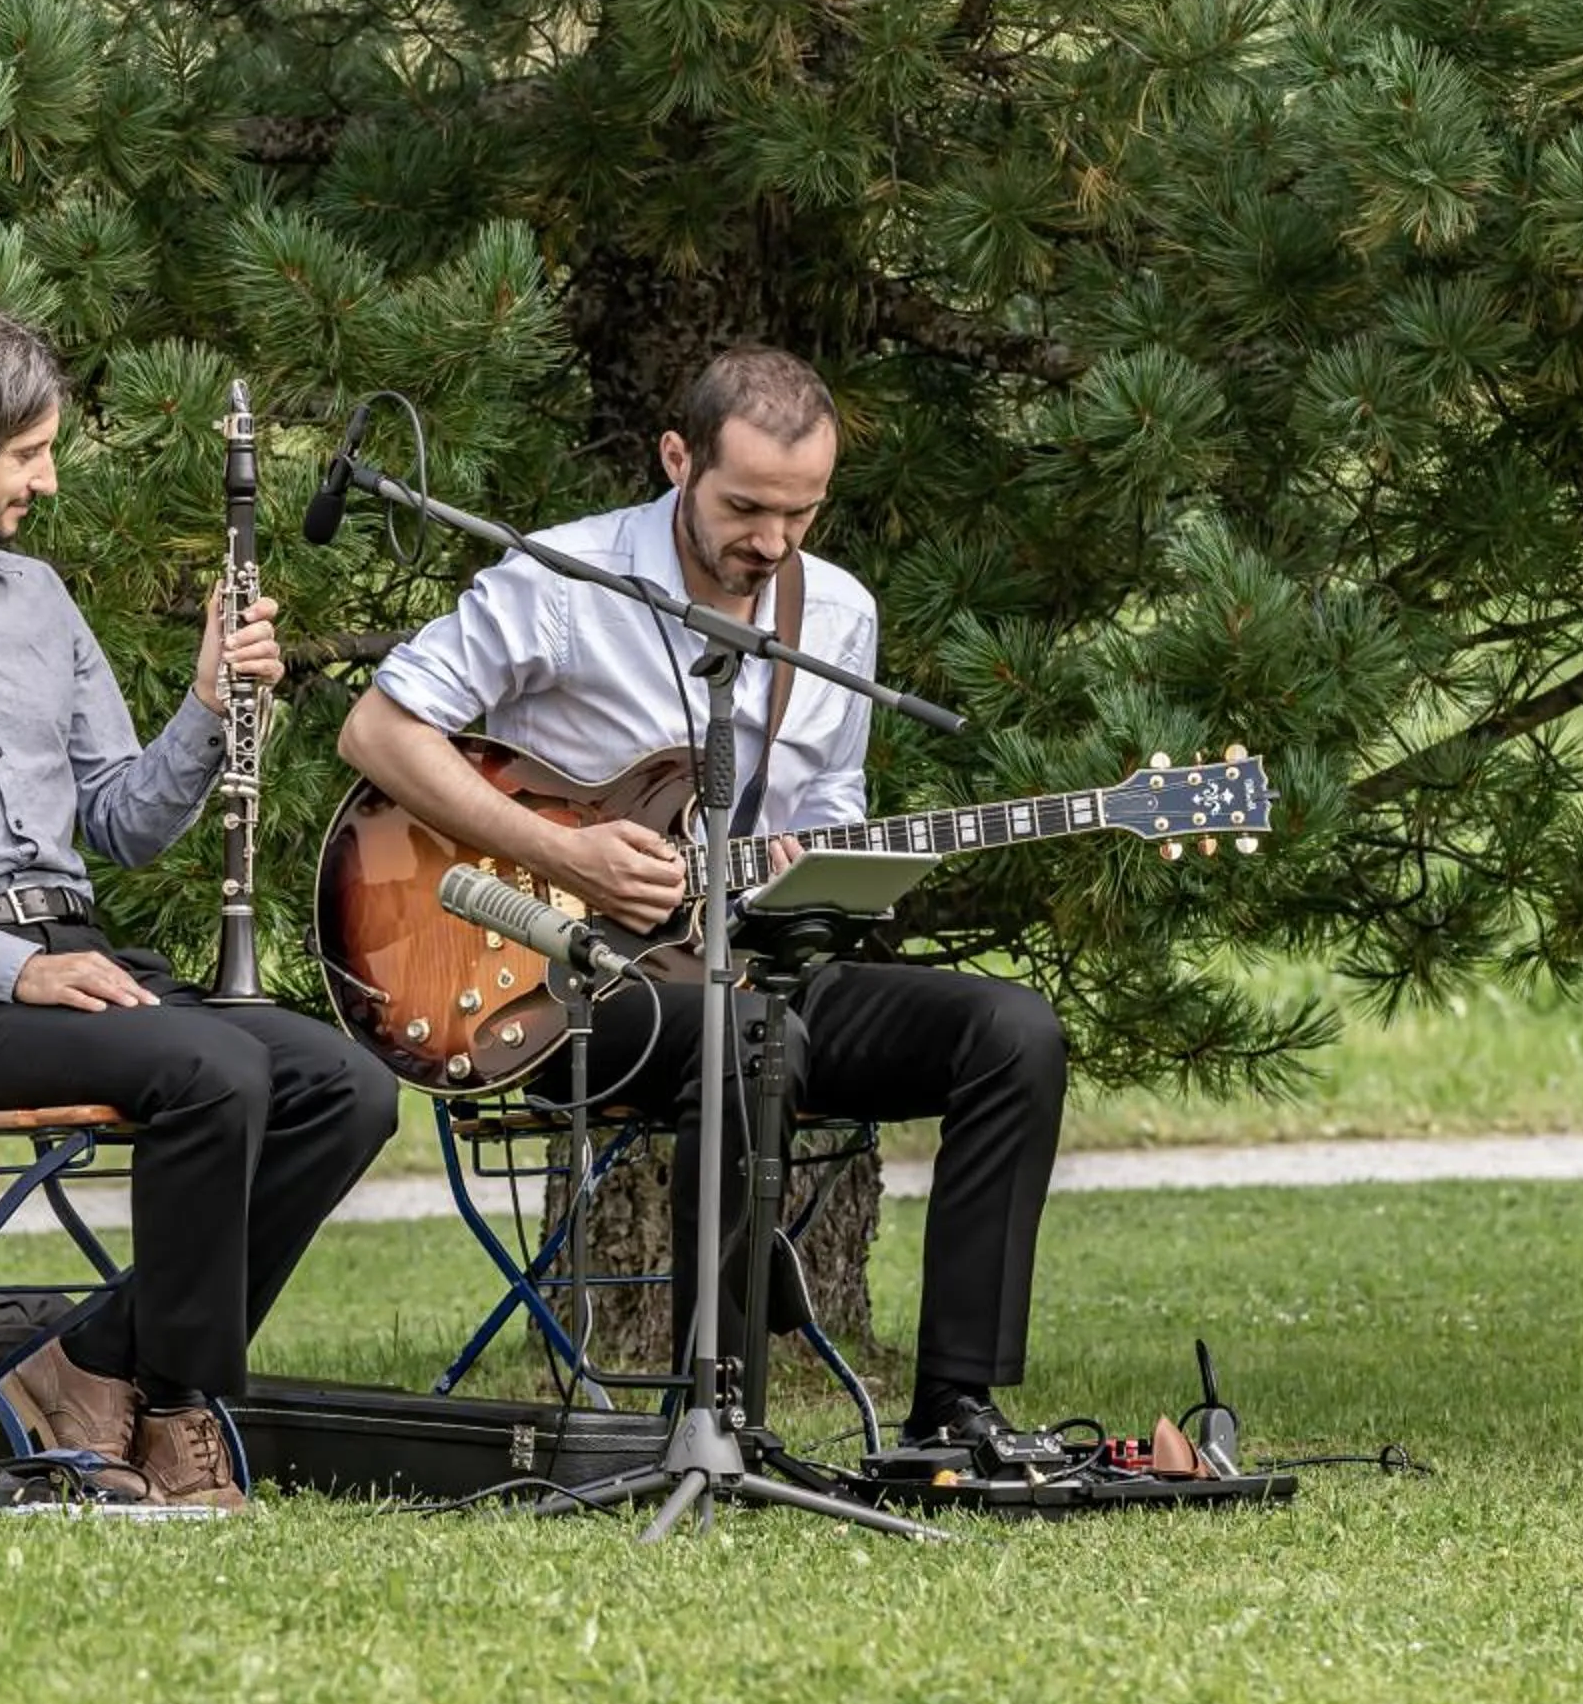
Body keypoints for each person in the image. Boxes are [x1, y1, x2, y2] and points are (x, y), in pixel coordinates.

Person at [335, 343, 1065, 1448]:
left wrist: (823, 871)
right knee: (749, 1030)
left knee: (1012, 1032)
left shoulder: (839, 616)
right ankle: (713, 1410)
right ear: (677, 459)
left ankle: (956, 1408)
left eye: (802, 514)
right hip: (547, 977)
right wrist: (562, 853)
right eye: (746, 506)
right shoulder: (560, 583)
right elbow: (378, 731)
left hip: (748, 958)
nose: (771, 542)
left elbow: (825, 809)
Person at [0, 296, 401, 1508]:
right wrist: (18, 972)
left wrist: (208, 706)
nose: (45, 482)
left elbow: (121, 819)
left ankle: (96, 1367)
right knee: (211, 1070)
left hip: (85, 968)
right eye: (28, 454)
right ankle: (178, 1405)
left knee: (346, 1086)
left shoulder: (38, 600)